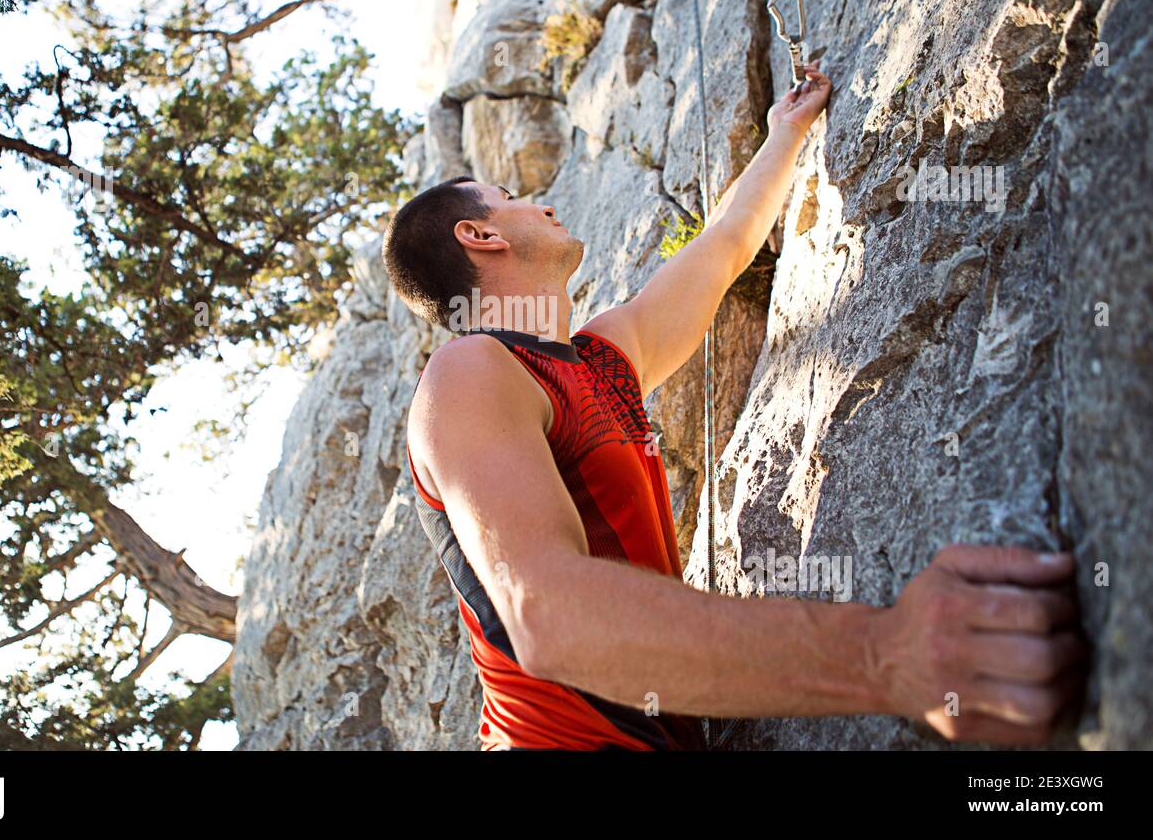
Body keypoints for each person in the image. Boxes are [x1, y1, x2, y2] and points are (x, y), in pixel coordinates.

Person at [381, 63, 1086, 750]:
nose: (542, 201)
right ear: (480, 235)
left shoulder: (599, 358)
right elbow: (545, 614)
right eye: (510, 196)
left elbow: (723, 249)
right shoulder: (468, 371)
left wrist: (786, 133)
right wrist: (884, 655)